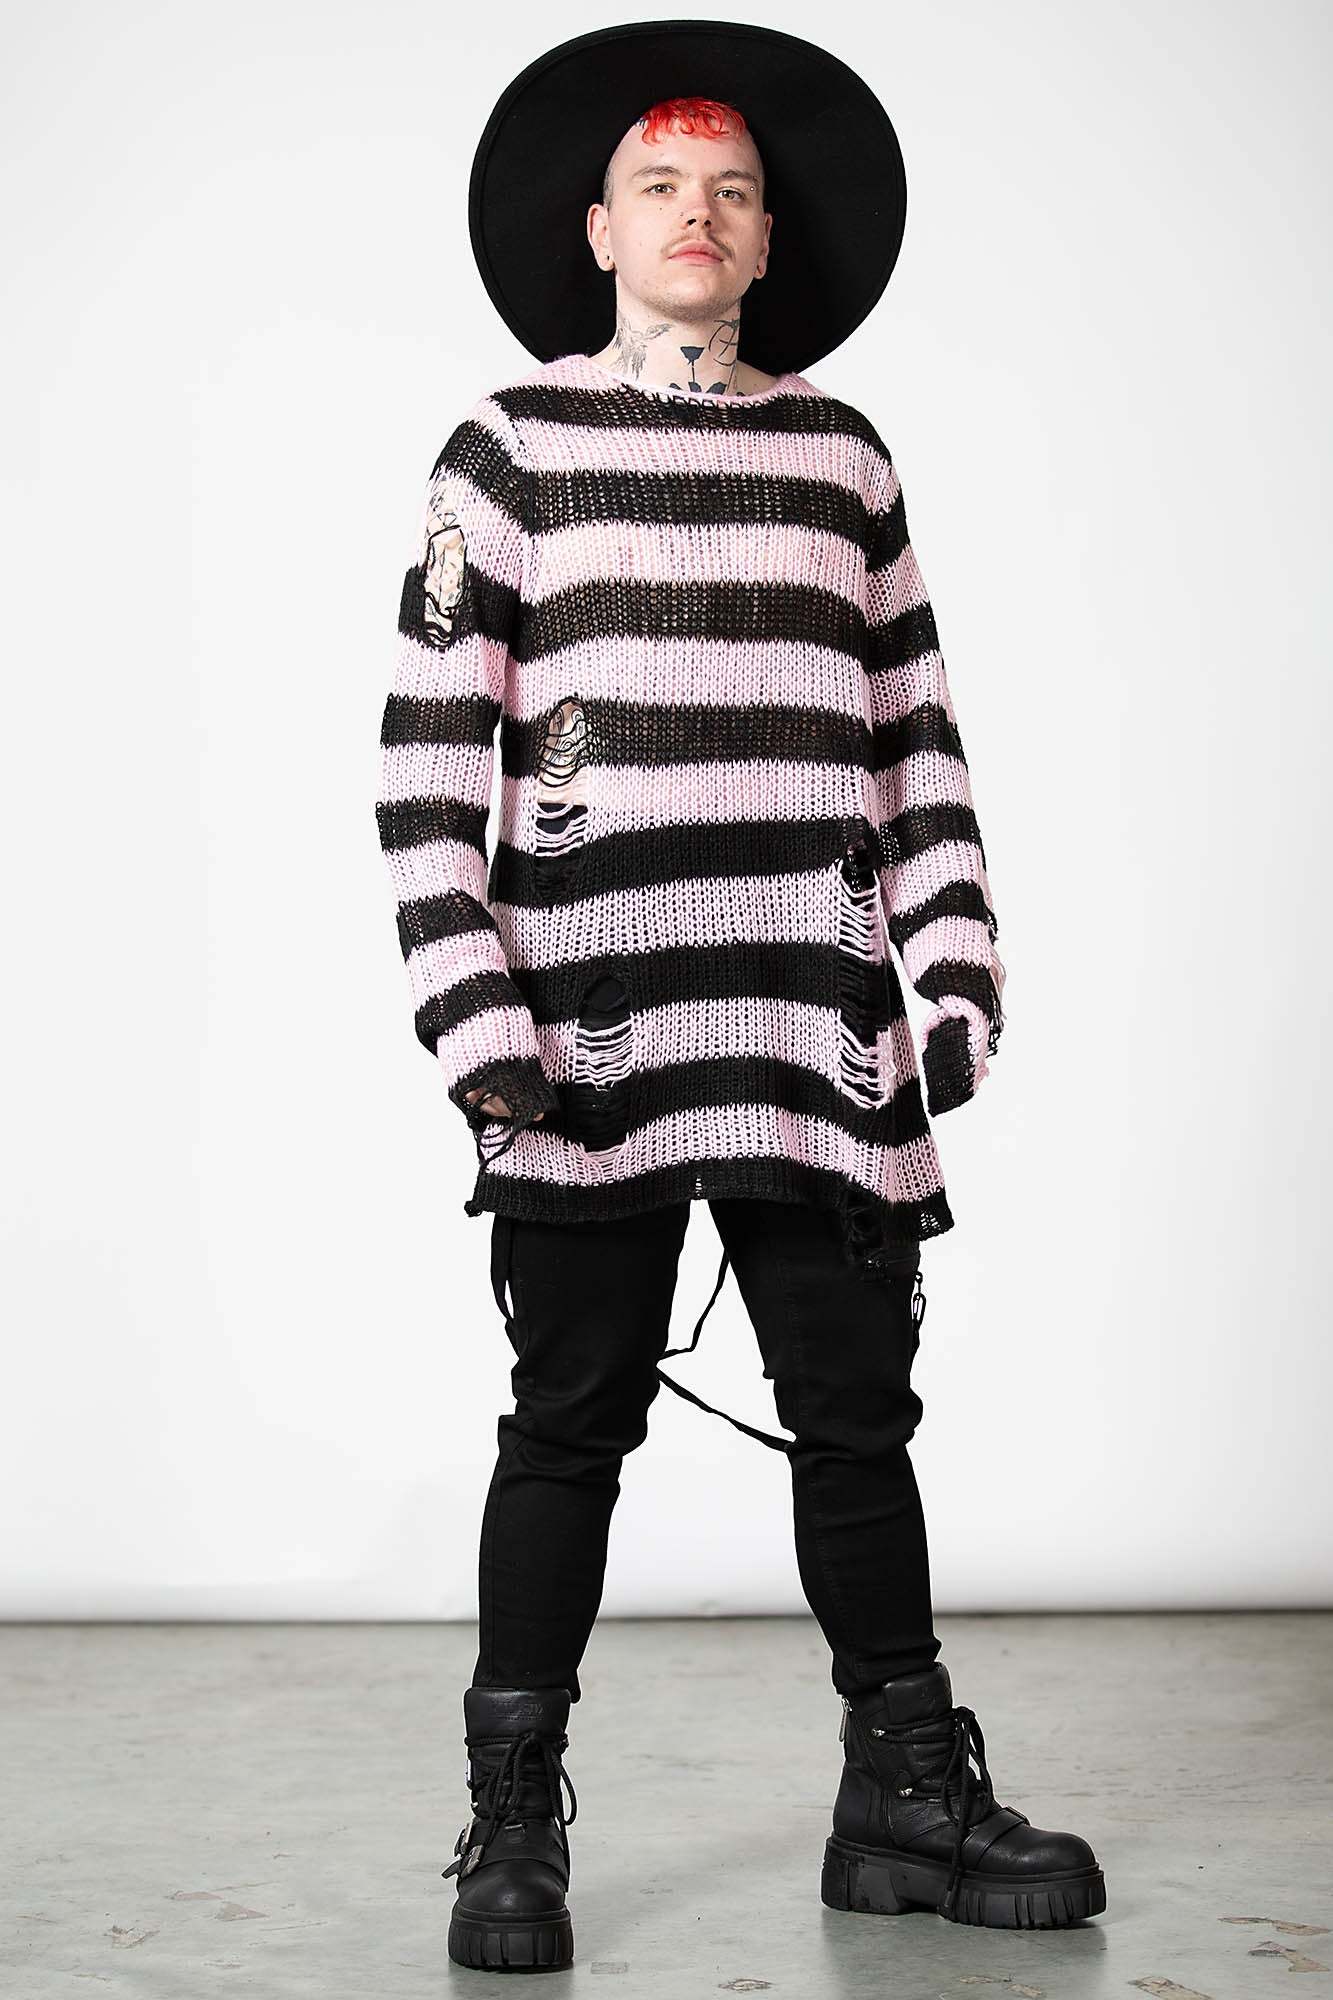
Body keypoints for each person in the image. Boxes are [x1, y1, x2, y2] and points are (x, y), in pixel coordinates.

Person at [374, 21, 1105, 1974]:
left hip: (816, 1033)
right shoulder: (508, 451)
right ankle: (509, 1817)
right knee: (569, 1423)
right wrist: (475, 1023)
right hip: (581, 1046)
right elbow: (428, 765)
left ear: (770, 241)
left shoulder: (841, 459)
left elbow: (915, 741)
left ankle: (903, 1793)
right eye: (659, 184)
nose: (695, 211)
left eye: (732, 190)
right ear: (596, 231)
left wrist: (951, 964)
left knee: (856, 1417)